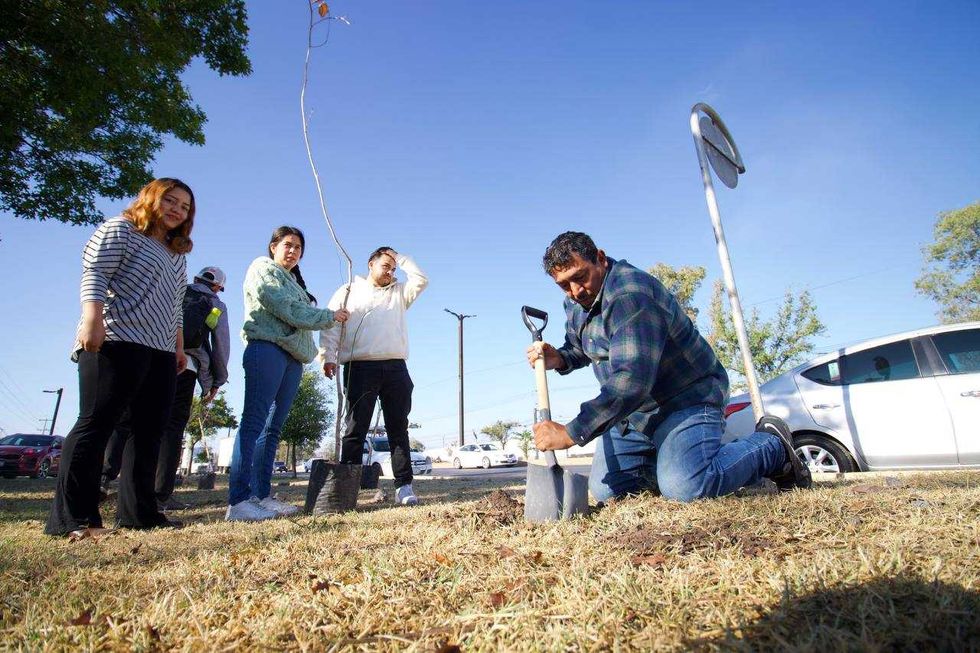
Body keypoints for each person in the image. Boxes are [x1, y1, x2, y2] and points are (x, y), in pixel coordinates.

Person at [527, 232, 811, 504]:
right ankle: (680, 460)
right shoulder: (576, 303)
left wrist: (571, 432)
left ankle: (772, 446)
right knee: (607, 492)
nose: (575, 291)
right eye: (564, 284)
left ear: (600, 258)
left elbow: (631, 381)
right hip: (635, 413)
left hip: (686, 399)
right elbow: (581, 348)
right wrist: (560, 358)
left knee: (686, 486)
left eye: (580, 277)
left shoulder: (631, 294)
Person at [45, 178, 195, 536]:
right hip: (115, 340)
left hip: (159, 351)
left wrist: (177, 347)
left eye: (185, 207)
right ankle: (74, 518)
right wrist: (92, 320)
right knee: (96, 423)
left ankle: (139, 514)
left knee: (149, 432)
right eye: (170, 201)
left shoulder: (176, 252)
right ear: (150, 198)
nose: (177, 209)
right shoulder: (120, 229)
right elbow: (95, 273)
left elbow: (176, 306)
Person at [226, 226, 349, 522]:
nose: (293, 251)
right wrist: (328, 316)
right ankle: (238, 500)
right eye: (288, 245)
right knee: (254, 422)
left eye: (298, 248)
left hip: (293, 358)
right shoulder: (262, 268)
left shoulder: (295, 282)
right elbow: (284, 307)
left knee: (273, 429)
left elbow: (298, 310)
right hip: (266, 348)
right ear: (273, 247)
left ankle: (261, 495)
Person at [100, 266, 230, 511]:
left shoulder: (175, 290)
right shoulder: (215, 305)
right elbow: (220, 343)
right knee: (172, 428)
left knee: (128, 420)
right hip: (187, 367)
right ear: (217, 287)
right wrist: (217, 380)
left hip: (151, 358)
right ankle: (161, 494)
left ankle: (104, 478)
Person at [319, 246, 428, 507]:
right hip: (359, 367)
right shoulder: (349, 290)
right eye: (385, 266)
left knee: (398, 428)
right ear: (370, 264)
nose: (390, 272)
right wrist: (328, 356)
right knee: (355, 429)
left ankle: (404, 486)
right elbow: (332, 324)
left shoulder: (400, 293)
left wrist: (400, 258)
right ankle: (347, 489)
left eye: (393, 268)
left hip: (395, 367)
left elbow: (421, 280)